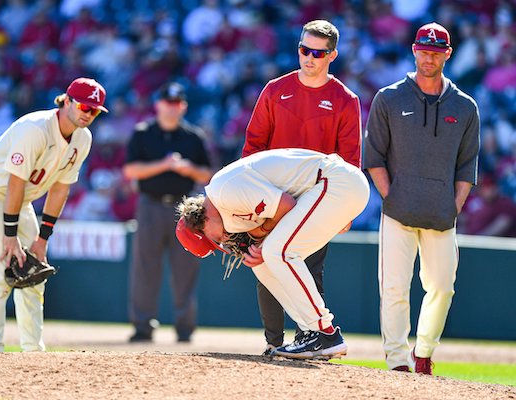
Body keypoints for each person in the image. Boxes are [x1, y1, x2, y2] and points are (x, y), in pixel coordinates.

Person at [363, 22, 480, 375]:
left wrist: (453, 205)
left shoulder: (465, 106)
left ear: (447, 54)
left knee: (443, 288)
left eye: (435, 51)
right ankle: (398, 360)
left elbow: (467, 166)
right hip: (398, 212)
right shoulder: (389, 97)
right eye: (423, 50)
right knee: (394, 288)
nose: (428, 57)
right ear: (414, 50)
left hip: (441, 215)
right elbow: (374, 157)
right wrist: (392, 196)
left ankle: (424, 352)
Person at [176, 148, 369, 359]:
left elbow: (286, 205)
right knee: (263, 262)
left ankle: (325, 333)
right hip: (326, 189)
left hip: (337, 182)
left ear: (202, 221)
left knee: (278, 252)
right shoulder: (222, 204)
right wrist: (260, 245)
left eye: (213, 240)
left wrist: (260, 238)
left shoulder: (224, 192)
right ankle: (310, 333)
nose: (221, 241)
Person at [242, 19, 362, 354]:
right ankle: (273, 343)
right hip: (272, 193)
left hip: (318, 196)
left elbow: (350, 158)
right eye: (303, 49)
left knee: (311, 267)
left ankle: (312, 338)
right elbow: (253, 146)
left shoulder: (345, 99)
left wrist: (345, 209)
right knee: (265, 262)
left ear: (332, 55)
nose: (309, 57)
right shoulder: (275, 89)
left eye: (318, 53)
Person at [0, 77, 108, 353]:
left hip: (20, 202)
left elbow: (60, 189)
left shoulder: (83, 138)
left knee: (34, 274)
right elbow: (14, 183)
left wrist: (42, 238)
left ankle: (33, 351)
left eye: (94, 110)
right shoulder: (35, 128)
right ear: (67, 101)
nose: (87, 113)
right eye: (83, 105)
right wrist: (10, 236)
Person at [124, 82, 213, 343]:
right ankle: (142, 326)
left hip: (184, 208)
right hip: (150, 205)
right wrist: (163, 165)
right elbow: (130, 171)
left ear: (183, 106)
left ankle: (185, 328)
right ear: (158, 105)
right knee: (145, 268)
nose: (172, 108)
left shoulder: (193, 136)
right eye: (168, 103)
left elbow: (207, 173)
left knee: (185, 268)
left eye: (177, 104)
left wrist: (188, 170)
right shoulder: (143, 133)